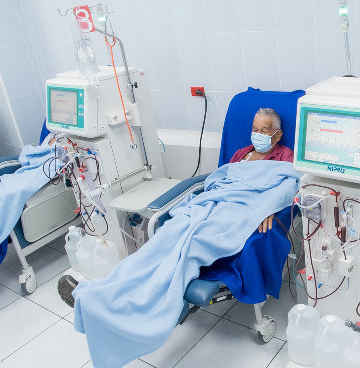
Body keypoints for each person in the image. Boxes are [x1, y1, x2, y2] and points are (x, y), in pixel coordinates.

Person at [57, 106, 294, 306]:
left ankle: (123, 301)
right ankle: (104, 288)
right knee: (165, 237)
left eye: (264, 131)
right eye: (254, 129)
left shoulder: (285, 158)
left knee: (192, 244)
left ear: (277, 135)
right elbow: (218, 179)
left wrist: (268, 209)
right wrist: (208, 198)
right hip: (211, 205)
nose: (257, 134)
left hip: (238, 212)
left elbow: (289, 187)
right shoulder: (242, 153)